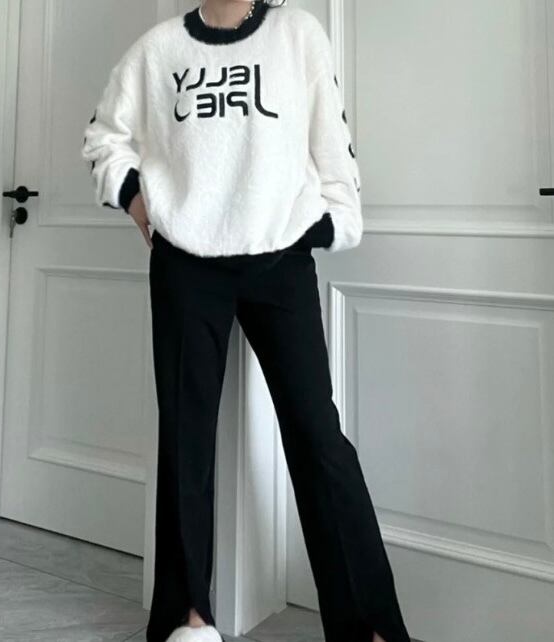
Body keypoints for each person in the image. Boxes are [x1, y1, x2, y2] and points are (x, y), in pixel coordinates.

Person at [81, 1, 411, 641]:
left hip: (279, 260)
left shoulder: (297, 34)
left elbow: (330, 137)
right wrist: (140, 205)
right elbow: (104, 136)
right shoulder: (158, 49)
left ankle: (367, 626)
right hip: (185, 265)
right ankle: (186, 617)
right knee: (186, 437)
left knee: (317, 435)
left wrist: (330, 221)